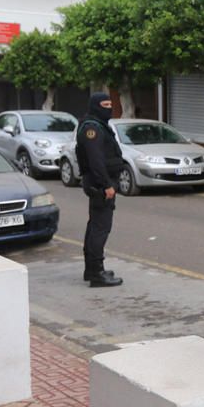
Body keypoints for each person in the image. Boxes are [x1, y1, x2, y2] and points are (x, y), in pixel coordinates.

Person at [76, 92, 124, 287]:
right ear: (95, 106)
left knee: (95, 225)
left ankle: (91, 270)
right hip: (100, 185)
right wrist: (106, 186)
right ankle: (96, 273)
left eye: (110, 104)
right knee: (100, 228)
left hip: (100, 183)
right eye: (105, 104)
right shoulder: (92, 129)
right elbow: (96, 161)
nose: (109, 107)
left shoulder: (97, 125)